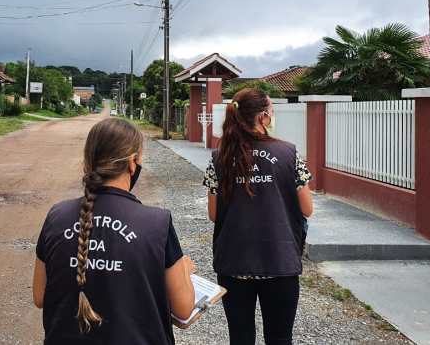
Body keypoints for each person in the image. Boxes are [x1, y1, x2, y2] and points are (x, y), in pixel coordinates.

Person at [33, 118, 196, 344]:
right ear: (132, 163)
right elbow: (184, 310)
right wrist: (185, 272)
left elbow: (40, 296)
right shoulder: (157, 223)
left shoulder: (56, 216)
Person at [202, 88, 313, 345]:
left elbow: (213, 214)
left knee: (240, 339)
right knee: (280, 338)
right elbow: (306, 209)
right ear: (263, 117)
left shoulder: (219, 158)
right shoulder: (289, 154)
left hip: (234, 262)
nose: (273, 116)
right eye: (272, 111)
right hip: (279, 261)